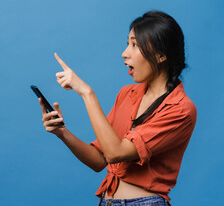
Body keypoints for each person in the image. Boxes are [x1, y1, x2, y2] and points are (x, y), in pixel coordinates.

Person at [38, 11, 197, 206]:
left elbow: (116, 152)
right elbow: (100, 160)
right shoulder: (127, 93)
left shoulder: (181, 110)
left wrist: (87, 93)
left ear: (161, 55)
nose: (125, 53)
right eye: (128, 43)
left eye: (134, 45)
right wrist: (62, 132)